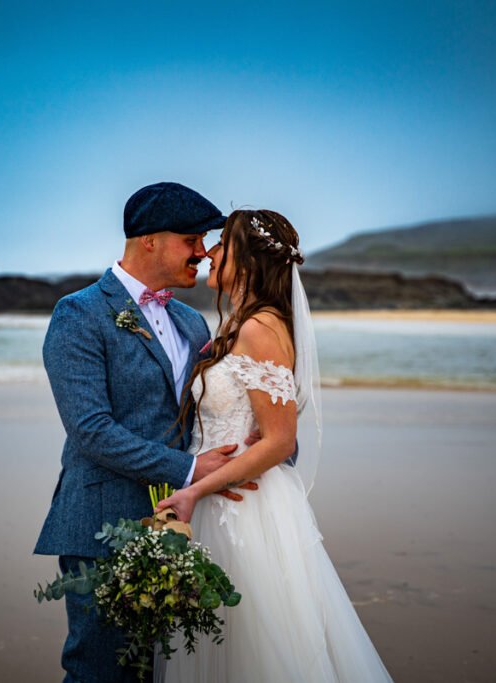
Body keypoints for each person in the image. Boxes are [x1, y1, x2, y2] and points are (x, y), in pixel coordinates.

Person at [156, 209, 395, 682]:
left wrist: (194, 491)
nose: (209, 251)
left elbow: (282, 440)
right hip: (223, 497)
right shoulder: (238, 324)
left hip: (244, 508)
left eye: (222, 243)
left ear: (245, 259)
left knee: (255, 649)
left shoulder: (258, 328)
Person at [34, 182, 257, 683]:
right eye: (192, 239)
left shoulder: (190, 320)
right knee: (100, 670)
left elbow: (223, 404)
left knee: (161, 670)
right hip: (101, 519)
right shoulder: (78, 314)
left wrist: (259, 455)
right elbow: (91, 429)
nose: (203, 252)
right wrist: (192, 468)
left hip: (184, 523)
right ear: (149, 241)